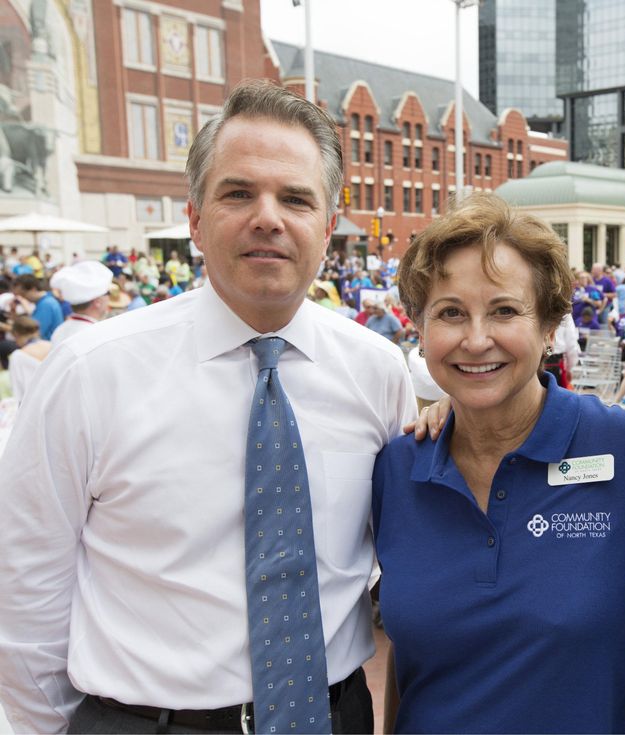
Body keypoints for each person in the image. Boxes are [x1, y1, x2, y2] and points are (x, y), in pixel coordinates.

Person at [0, 80, 416, 734]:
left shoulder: (378, 372)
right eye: (239, 192)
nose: (269, 217)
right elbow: (27, 587)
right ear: (194, 217)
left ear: (328, 225)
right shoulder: (90, 374)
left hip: (331, 716)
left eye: (296, 198)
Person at [373, 192, 625, 734]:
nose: (476, 339)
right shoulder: (396, 467)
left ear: (551, 324)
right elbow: (409, 655)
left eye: (505, 310)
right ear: (419, 328)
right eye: (450, 313)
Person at [49, 261, 114, 346]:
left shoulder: (60, 330)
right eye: (108, 293)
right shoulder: (97, 336)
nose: (109, 298)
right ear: (97, 301)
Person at [7, 315, 50, 400]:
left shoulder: (17, 356)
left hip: (33, 405)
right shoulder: (52, 345)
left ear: (16, 334)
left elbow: (17, 391)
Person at [11, 273, 63, 339]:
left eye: (23, 295)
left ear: (33, 289)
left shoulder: (46, 304)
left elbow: (33, 334)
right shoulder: (45, 301)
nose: (22, 299)